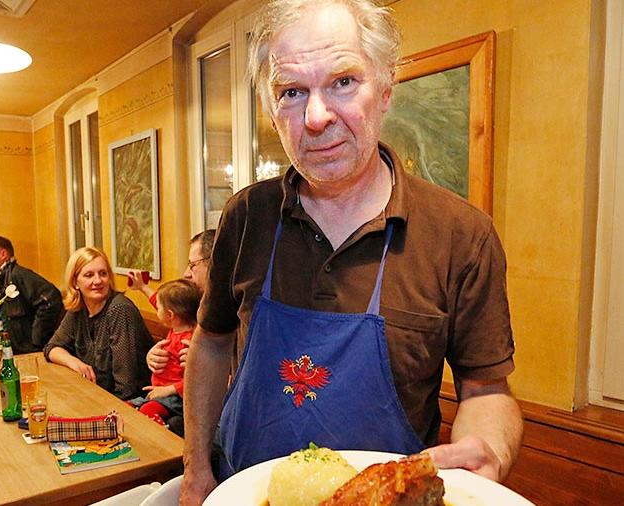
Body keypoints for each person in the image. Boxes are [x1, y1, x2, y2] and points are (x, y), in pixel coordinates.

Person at [180, 1, 523, 503]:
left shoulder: (461, 235)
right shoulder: (246, 216)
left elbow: (486, 389)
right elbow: (211, 344)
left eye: (343, 82)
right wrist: (195, 470)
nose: (316, 117)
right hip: (245, 490)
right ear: (271, 111)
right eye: (292, 92)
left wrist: (490, 449)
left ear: (385, 89)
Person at [44, 247, 153, 400]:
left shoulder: (120, 310)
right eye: (89, 275)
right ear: (75, 282)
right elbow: (52, 348)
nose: (98, 281)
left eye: (103, 273)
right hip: (95, 395)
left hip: (131, 404)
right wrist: (75, 363)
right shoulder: (79, 308)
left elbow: (127, 386)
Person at [136, 229, 215, 374]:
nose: (186, 274)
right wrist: (152, 356)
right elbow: (160, 302)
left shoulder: (235, 315)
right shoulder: (197, 305)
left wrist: (205, 366)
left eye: (192, 265)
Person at [128, 280, 201, 425]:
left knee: (147, 411)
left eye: (158, 309)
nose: (156, 309)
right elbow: (157, 300)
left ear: (170, 315)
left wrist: (168, 389)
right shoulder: (177, 326)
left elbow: (195, 379)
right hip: (159, 393)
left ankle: (161, 433)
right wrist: (143, 287)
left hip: (175, 397)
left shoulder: (187, 343)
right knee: (127, 406)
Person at [0, 236, 63, 353]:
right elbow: (1, 315)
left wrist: (36, 339)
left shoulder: (17, 275)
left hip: (28, 351)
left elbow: (51, 298)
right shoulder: (0, 280)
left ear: (3, 254)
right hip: (15, 350)